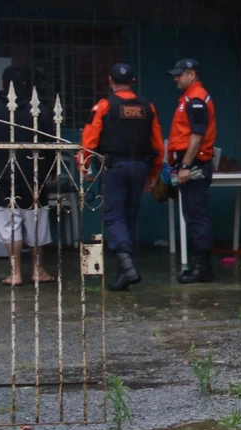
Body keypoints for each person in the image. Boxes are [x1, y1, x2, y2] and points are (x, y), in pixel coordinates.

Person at [79, 63, 165, 292]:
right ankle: (123, 274)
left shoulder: (105, 106)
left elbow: (89, 141)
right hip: (140, 167)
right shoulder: (148, 107)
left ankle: (126, 265)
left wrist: (84, 167)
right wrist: (153, 173)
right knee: (129, 217)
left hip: (114, 168)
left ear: (110, 81)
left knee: (114, 216)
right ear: (133, 82)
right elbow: (158, 144)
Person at [0, 65, 55, 286]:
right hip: (34, 175)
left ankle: (15, 273)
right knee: (36, 224)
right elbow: (50, 143)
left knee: (9, 225)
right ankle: (38, 270)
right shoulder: (38, 108)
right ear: (26, 84)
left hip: (4, 175)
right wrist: (51, 170)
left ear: (3, 84)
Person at [166, 58, 216, 284]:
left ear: (192, 75)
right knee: (193, 216)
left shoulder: (196, 99)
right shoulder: (190, 98)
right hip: (191, 164)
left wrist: (185, 165)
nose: (176, 79)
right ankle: (200, 267)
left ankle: (203, 269)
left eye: (180, 75)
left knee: (196, 217)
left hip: (194, 165)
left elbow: (197, 135)